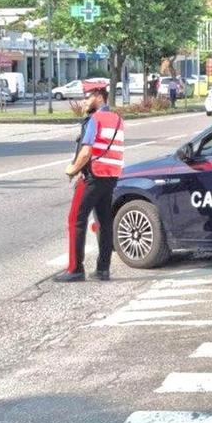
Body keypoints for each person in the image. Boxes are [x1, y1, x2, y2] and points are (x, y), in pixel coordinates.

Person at [55, 80, 124, 282]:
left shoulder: (95, 119)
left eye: (87, 96)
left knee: (76, 219)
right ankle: (103, 269)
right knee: (104, 222)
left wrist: (72, 169)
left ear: (98, 95)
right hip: (110, 177)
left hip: (92, 177)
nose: (84, 101)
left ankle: (75, 269)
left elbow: (86, 152)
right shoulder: (118, 119)